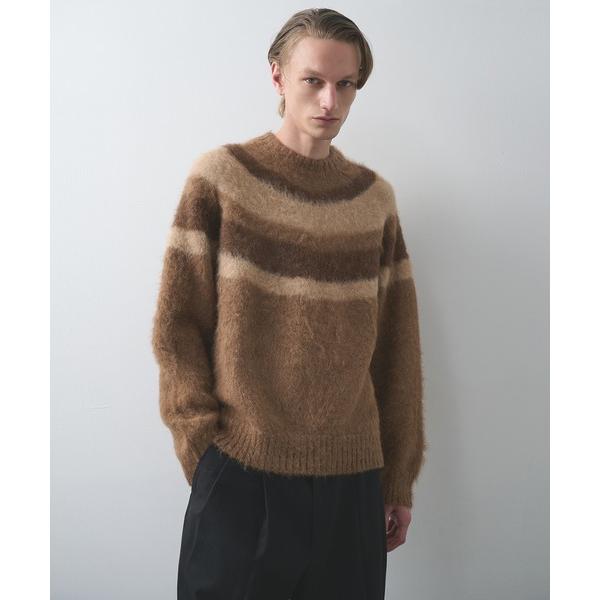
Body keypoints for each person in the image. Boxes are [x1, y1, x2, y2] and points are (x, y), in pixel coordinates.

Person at [151, 7, 427, 600]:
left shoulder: (373, 201)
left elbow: (397, 348)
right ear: (277, 76)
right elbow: (178, 325)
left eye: (346, 84)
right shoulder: (222, 179)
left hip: (353, 484)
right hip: (241, 475)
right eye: (313, 80)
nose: (331, 100)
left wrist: (397, 479)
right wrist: (202, 451)